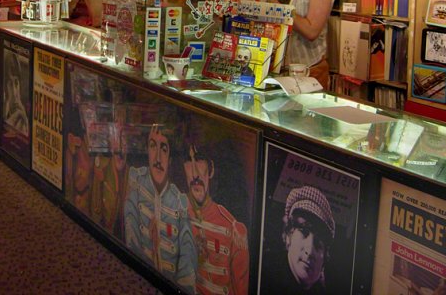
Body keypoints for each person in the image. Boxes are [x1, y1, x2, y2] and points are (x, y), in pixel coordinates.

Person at [123, 123, 196, 292]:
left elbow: (187, 263)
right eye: (152, 146)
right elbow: (131, 236)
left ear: (170, 158)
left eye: (163, 149)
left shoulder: (180, 202)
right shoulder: (136, 182)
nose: (157, 158)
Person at [184, 139, 249, 295]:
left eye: (199, 161)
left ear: (211, 169)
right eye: (188, 162)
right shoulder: (178, 210)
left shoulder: (233, 228)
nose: (194, 174)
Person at [262, 186, 335, 294]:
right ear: (288, 236)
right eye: (303, 232)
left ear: (325, 257)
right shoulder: (264, 275)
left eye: (318, 244)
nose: (309, 251)